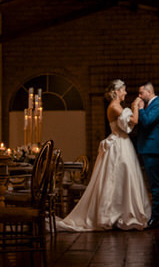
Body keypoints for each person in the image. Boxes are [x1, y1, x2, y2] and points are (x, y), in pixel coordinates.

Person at [55, 79, 151, 231]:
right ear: (117, 91)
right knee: (115, 180)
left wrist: (133, 108)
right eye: (124, 90)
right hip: (119, 145)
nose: (125, 92)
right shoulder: (114, 106)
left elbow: (129, 125)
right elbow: (134, 121)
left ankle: (121, 213)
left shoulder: (117, 106)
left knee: (122, 179)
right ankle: (110, 214)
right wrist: (134, 106)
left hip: (122, 144)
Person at [132, 82, 159, 228]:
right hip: (147, 148)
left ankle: (157, 218)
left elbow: (146, 123)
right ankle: (153, 215)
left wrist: (140, 109)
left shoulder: (158, 105)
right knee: (152, 184)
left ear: (149, 92)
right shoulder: (150, 105)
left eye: (141, 93)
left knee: (156, 186)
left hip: (153, 149)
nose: (139, 96)